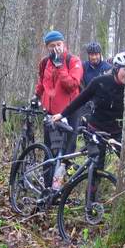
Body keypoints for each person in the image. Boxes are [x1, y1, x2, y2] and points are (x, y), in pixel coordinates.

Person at [52, 51, 125, 167]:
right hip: (96, 130)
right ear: (117, 69)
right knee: (97, 165)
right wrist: (62, 114)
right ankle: (88, 181)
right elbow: (80, 100)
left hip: (117, 131)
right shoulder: (100, 82)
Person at [35, 30, 84, 167]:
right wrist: (36, 95)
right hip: (50, 112)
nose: (56, 48)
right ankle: (48, 184)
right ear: (47, 47)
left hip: (70, 111)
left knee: (67, 151)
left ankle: (63, 183)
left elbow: (72, 85)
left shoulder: (73, 61)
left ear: (64, 44)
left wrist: (61, 66)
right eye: (52, 45)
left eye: (59, 44)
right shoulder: (45, 62)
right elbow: (42, 82)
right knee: (49, 149)